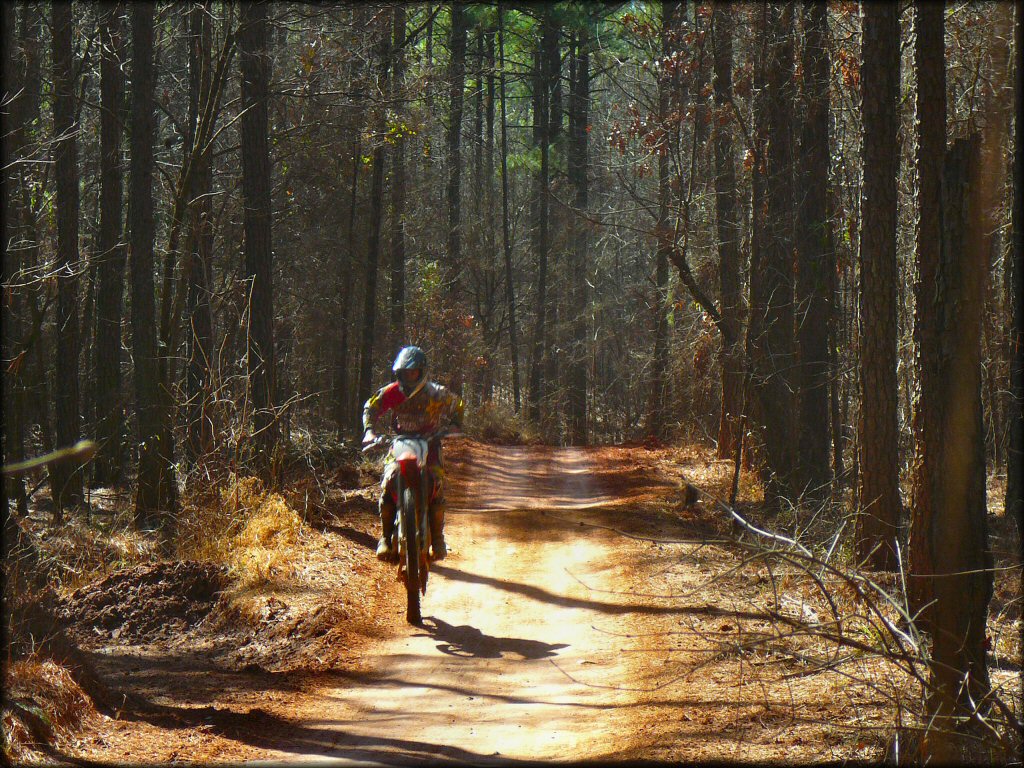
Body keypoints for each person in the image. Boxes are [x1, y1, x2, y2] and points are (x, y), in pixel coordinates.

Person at [362, 346, 464, 562]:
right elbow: (371, 408)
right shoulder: (392, 392)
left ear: (421, 371)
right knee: (388, 483)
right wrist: (370, 431)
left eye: (414, 372)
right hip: (400, 442)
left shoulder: (435, 392)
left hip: (430, 442)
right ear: (399, 373)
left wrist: (455, 425)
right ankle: (386, 539)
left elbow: (457, 405)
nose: (410, 376)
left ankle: (437, 538)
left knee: (436, 484)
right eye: (406, 372)